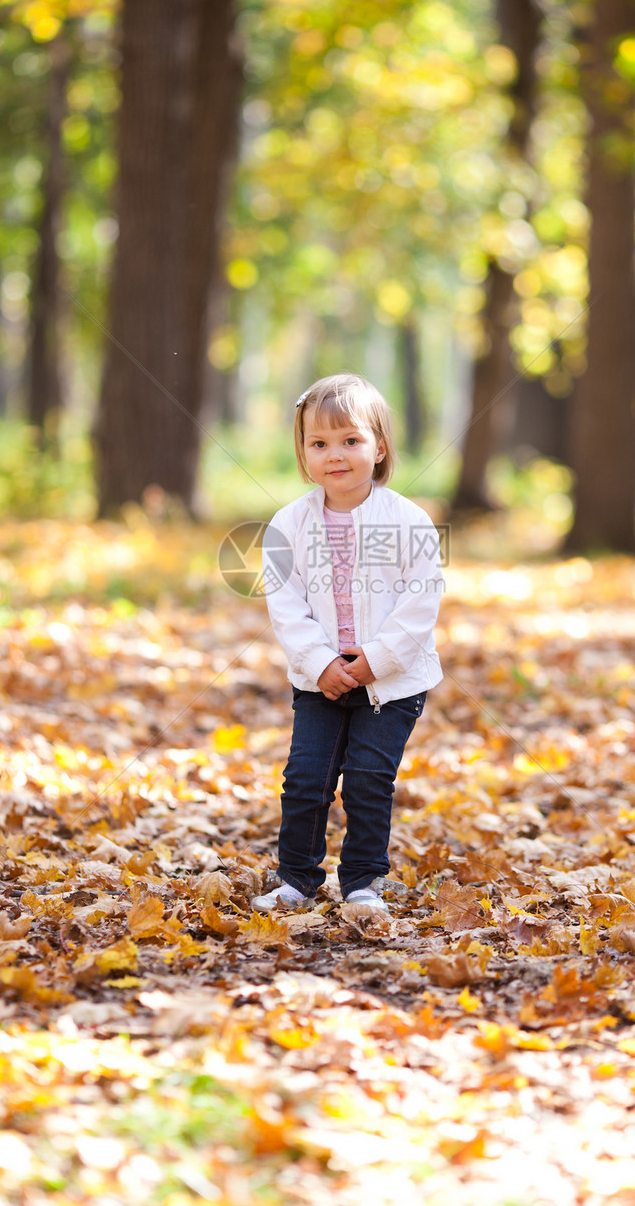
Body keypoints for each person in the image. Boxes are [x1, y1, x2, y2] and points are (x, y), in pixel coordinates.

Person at [253, 373, 444, 916]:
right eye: (319, 444)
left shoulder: (407, 522)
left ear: (379, 445)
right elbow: (285, 605)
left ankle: (362, 881)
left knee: (366, 779)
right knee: (305, 779)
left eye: (350, 441)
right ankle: (297, 878)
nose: (334, 455)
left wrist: (374, 662)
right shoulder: (290, 525)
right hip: (320, 680)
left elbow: (419, 603)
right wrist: (319, 664)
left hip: (391, 681)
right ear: (304, 451)